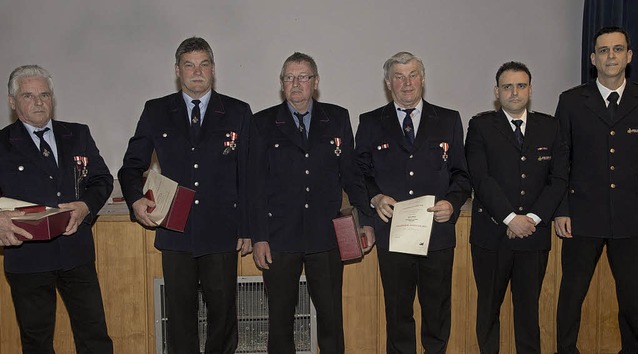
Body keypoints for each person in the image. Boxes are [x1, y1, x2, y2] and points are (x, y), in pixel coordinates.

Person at [118, 37, 252, 354]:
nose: (197, 72)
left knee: (222, 316)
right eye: (189, 65)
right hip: (175, 231)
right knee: (179, 317)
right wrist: (136, 199)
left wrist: (248, 227)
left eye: (204, 64)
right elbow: (130, 166)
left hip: (221, 231)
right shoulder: (156, 111)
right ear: (178, 70)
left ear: (213, 70)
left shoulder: (237, 111)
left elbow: (249, 175)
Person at [249, 52, 375, 354]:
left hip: (326, 236)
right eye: (289, 77)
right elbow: (254, 185)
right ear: (281, 84)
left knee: (331, 318)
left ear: (315, 82)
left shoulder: (337, 118)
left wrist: (367, 220)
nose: (296, 83)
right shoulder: (262, 122)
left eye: (303, 76)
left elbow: (352, 176)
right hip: (280, 237)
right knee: (280, 320)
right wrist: (259, 237)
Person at [355, 51, 471, 354]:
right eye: (399, 76)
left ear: (423, 78)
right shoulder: (370, 122)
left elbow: (462, 174)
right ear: (388, 82)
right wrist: (375, 196)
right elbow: (359, 173)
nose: (407, 83)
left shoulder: (448, 119)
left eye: (413, 75)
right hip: (393, 234)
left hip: (437, 233)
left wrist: (453, 203)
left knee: (437, 312)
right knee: (397, 314)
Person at [0, 65, 113, 353]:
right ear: (13, 103)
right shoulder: (2, 144)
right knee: (37, 343)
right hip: (27, 257)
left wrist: (86, 205)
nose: (39, 102)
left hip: (76, 253)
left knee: (95, 337)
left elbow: (101, 179)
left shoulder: (77, 134)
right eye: (28, 95)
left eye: (45, 94)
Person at [465, 61, 568, 353]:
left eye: (521, 85)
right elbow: (481, 178)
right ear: (497, 92)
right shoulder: (481, 126)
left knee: (528, 312)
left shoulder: (550, 126)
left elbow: (559, 178)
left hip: (533, 236)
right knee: (488, 311)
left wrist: (531, 219)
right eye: (507, 86)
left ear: (530, 90)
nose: (514, 92)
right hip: (491, 236)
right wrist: (511, 219)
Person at [554, 26, 638, 353]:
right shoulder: (573, 101)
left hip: (632, 218)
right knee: (571, 295)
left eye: (618, 49)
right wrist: (562, 208)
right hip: (582, 217)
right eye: (604, 50)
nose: (611, 56)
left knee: (633, 297)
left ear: (629, 56)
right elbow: (561, 160)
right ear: (593, 59)